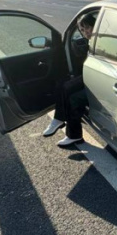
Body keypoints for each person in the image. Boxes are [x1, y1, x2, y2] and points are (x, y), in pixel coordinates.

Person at [43, 12, 97, 147]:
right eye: (82, 30)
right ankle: (72, 134)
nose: (86, 32)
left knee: (67, 89)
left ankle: (59, 120)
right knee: (67, 91)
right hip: (93, 74)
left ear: (95, 25)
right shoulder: (92, 40)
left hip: (99, 78)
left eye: (88, 28)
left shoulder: (101, 40)